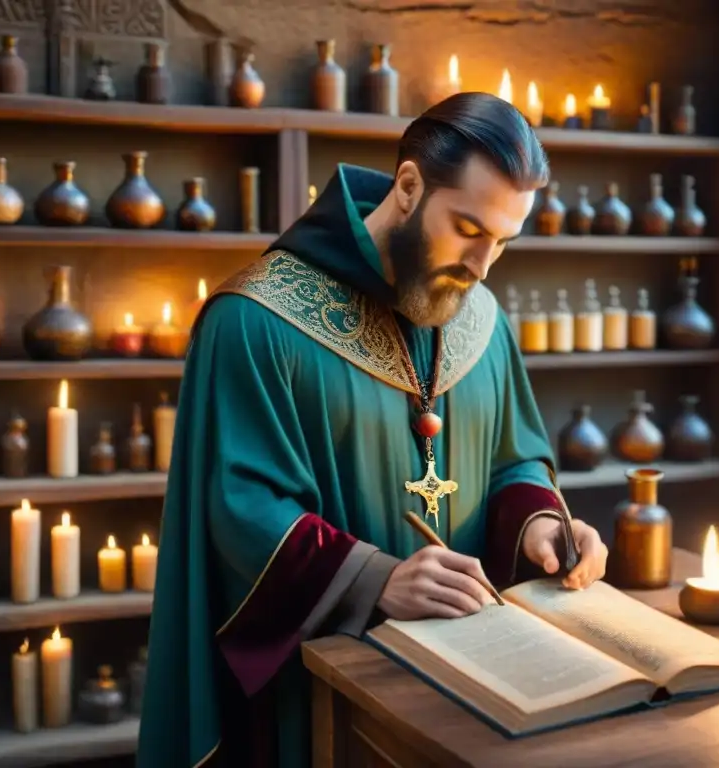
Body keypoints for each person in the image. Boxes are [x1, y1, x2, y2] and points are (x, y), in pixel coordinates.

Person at [137, 92, 608, 768]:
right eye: (469, 229)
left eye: (503, 242)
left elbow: (515, 462)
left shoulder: (484, 320)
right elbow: (242, 509)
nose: (481, 267)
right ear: (410, 186)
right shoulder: (256, 320)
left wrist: (537, 525)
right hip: (325, 687)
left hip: (478, 686)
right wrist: (377, 579)